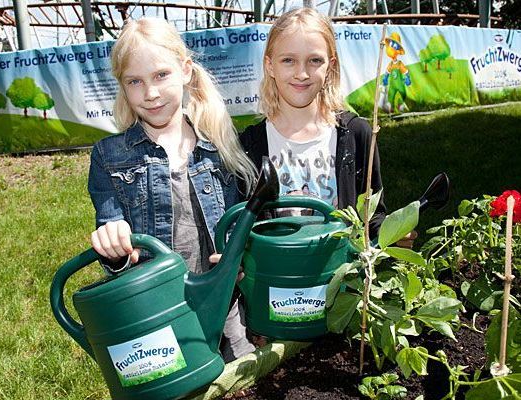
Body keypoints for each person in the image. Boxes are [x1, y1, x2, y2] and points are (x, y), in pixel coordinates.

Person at [87, 17, 258, 362]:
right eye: (135, 81)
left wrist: (242, 259)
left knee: (240, 381)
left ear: (185, 70)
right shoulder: (108, 157)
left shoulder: (222, 148)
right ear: (122, 85)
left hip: (225, 310)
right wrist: (114, 249)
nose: (150, 93)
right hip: (156, 316)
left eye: (161, 75)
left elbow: (242, 230)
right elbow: (113, 247)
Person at [240, 7, 387, 235]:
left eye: (314, 60)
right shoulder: (248, 145)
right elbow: (242, 224)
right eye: (288, 60)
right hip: (276, 270)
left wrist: (393, 232)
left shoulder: (357, 135)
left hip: (342, 269)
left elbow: (373, 215)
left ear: (330, 66)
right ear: (270, 66)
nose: (302, 73)